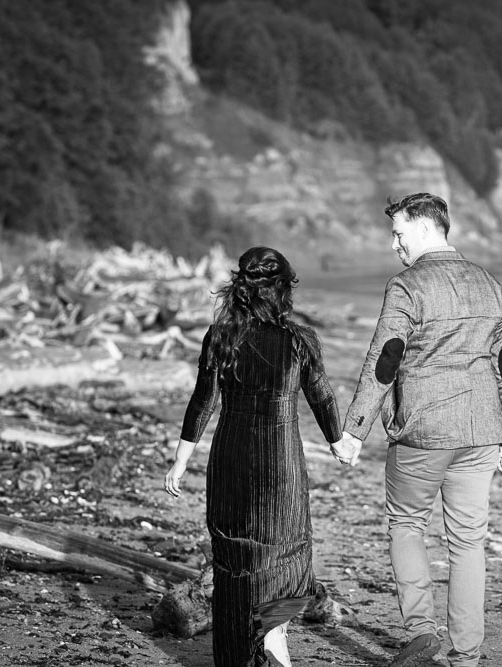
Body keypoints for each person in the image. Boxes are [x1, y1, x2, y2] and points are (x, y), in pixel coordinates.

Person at [331, 193, 502, 667]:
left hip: (422, 431)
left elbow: (385, 358)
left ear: (422, 228)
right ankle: (467, 656)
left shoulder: (406, 286)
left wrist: (354, 430)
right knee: (468, 541)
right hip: (481, 431)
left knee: (407, 525)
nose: (394, 244)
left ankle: (420, 629)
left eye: (398, 233)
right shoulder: (490, 284)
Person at [165, 246, 343, 667]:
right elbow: (322, 397)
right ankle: (273, 636)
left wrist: (180, 459)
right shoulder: (300, 340)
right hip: (279, 459)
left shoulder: (220, 336)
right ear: (282, 291)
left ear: (242, 289)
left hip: (230, 455)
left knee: (234, 559)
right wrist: (340, 442)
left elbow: (202, 403)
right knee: (286, 554)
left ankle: (237, 654)